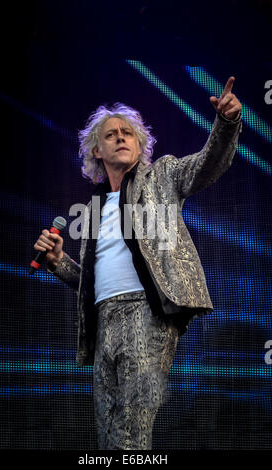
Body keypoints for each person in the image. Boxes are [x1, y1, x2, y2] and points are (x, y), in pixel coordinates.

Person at [34, 77, 242, 450]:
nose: (120, 137)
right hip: (104, 320)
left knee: (131, 432)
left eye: (128, 132)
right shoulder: (95, 207)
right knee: (108, 434)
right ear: (96, 150)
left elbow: (208, 163)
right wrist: (57, 261)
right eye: (111, 134)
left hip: (146, 314)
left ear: (140, 144)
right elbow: (92, 281)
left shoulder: (161, 177)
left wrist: (226, 124)